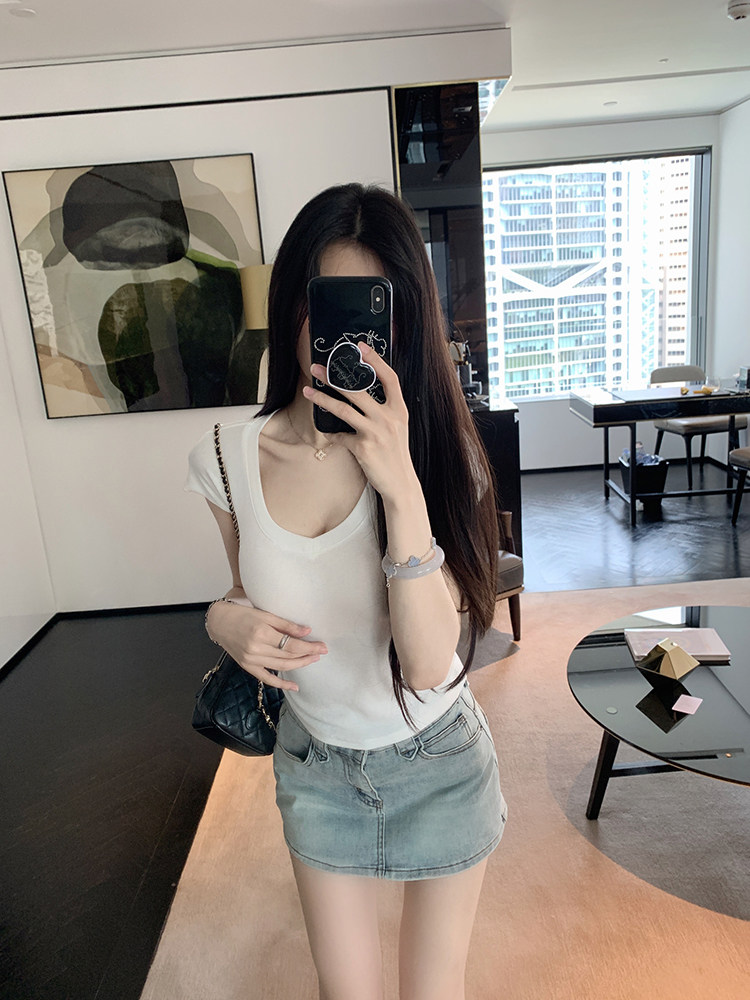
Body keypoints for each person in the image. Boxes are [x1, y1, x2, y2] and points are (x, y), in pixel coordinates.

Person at [185, 183, 507, 1000]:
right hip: (317, 763)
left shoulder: (441, 453)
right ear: (292, 305)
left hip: (439, 761)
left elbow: (429, 666)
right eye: (324, 303)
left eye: (372, 309)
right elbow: (242, 591)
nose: (343, 337)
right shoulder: (227, 455)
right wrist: (223, 621)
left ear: (403, 324)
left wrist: (399, 484)